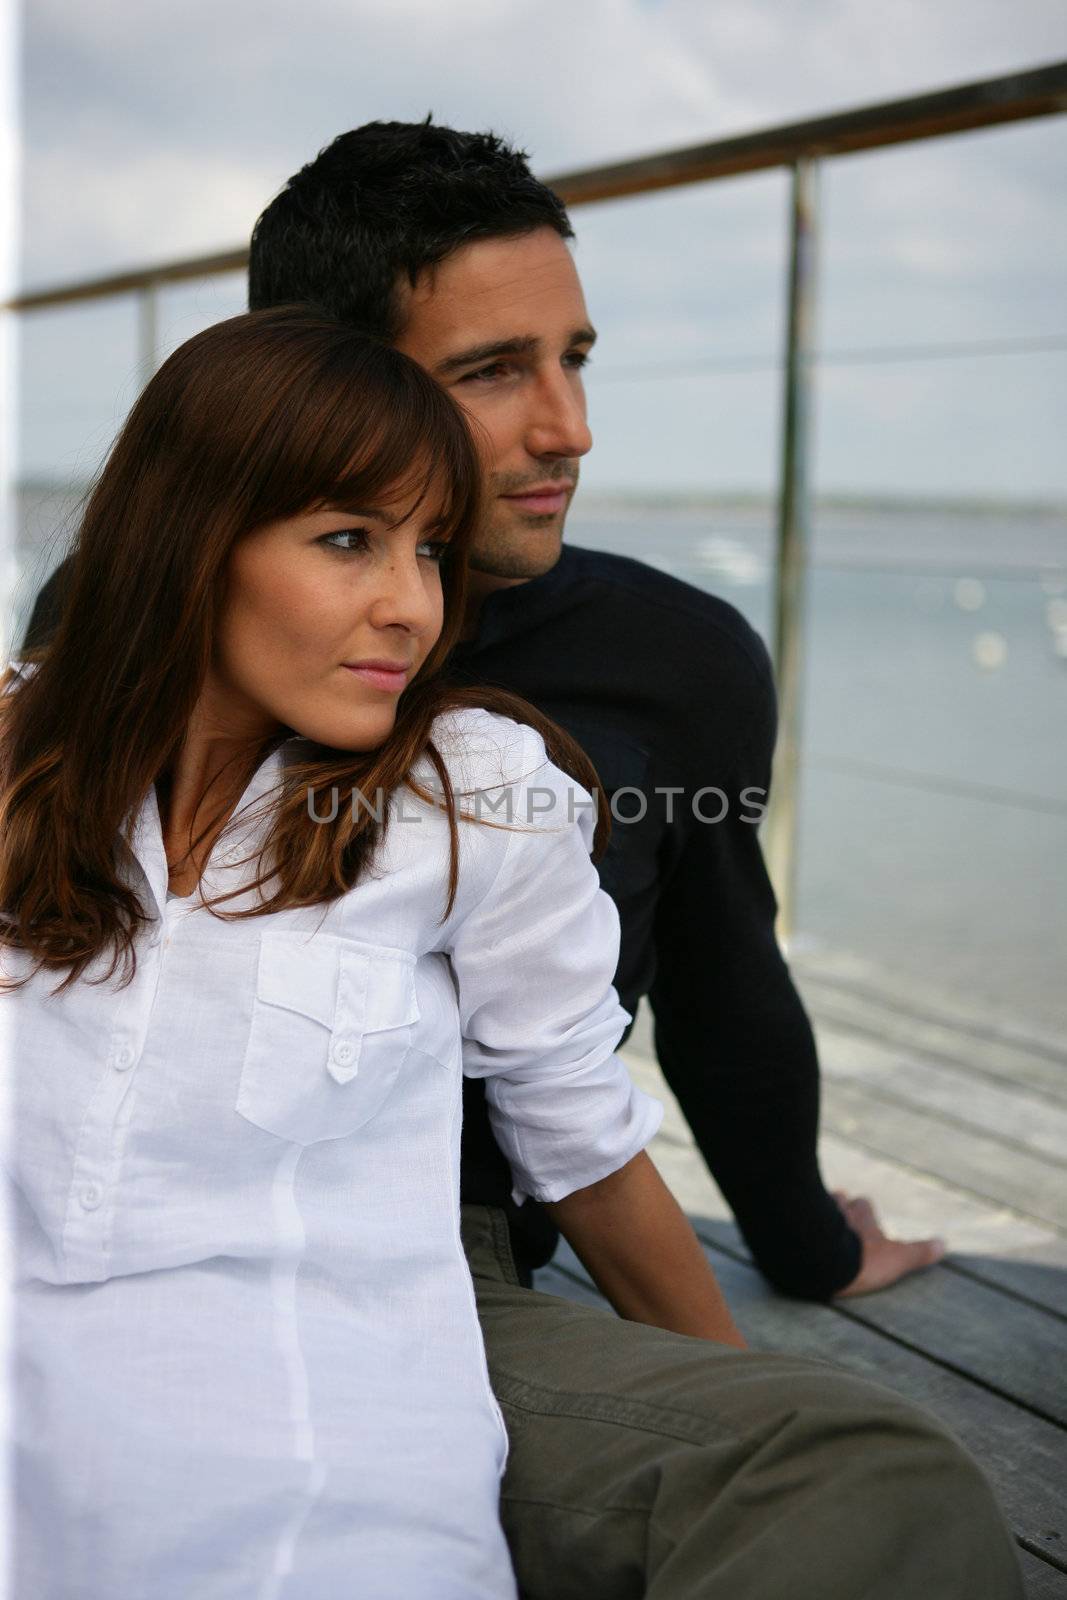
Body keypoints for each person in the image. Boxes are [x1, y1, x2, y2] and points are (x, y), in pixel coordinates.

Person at [18, 129, 1024, 1599]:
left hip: (439, 1265)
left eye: (579, 358)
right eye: (494, 370)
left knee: (862, 1481)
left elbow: (718, 982)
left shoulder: (652, 669)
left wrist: (803, 1247)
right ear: (308, 386)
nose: (568, 428)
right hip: (88, 1265)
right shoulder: (98, 677)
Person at [1, 307, 745, 1598]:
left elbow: (582, 1134)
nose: (411, 605)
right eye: (349, 540)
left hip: (310, 1475)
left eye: (435, 552)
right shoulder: (20, 763)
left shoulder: (469, 803)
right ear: (190, 543)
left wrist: (742, 1409)